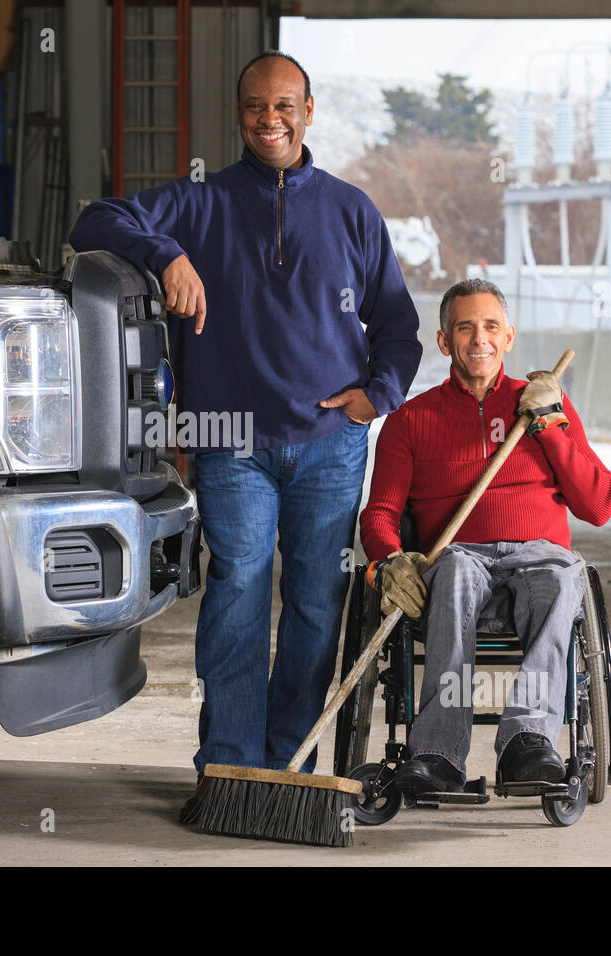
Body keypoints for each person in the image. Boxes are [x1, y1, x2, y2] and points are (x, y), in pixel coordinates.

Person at [69, 51, 421, 784]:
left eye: (285, 105)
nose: (271, 119)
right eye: (257, 107)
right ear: (240, 116)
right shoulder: (202, 202)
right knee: (236, 594)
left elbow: (397, 322)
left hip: (330, 443)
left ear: (310, 111)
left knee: (316, 605)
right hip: (228, 441)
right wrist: (164, 255)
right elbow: (94, 221)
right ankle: (230, 767)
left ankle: (287, 762)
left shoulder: (352, 209)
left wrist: (376, 395)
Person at [359, 277, 611, 796]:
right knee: (452, 571)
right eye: (465, 327)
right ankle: (436, 754)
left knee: (562, 575)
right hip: (461, 556)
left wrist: (551, 425)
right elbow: (379, 513)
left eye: (490, 327)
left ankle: (528, 743)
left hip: (539, 555)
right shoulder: (411, 420)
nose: (479, 339)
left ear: (508, 337)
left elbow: (599, 504)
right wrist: (388, 560)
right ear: (444, 340)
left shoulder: (542, 405)